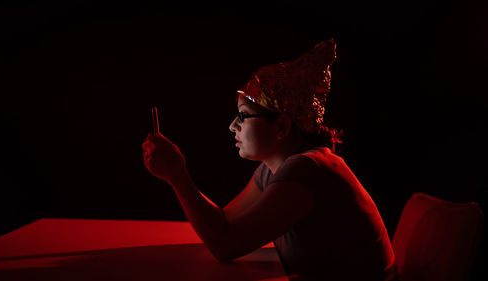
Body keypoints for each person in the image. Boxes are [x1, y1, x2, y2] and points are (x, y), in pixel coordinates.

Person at [142, 38, 397, 281]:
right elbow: (224, 222)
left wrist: (177, 174)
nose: (233, 126)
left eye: (243, 116)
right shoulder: (273, 169)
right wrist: (176, 173)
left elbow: (224, 244)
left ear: (282, 127)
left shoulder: (307, 170)